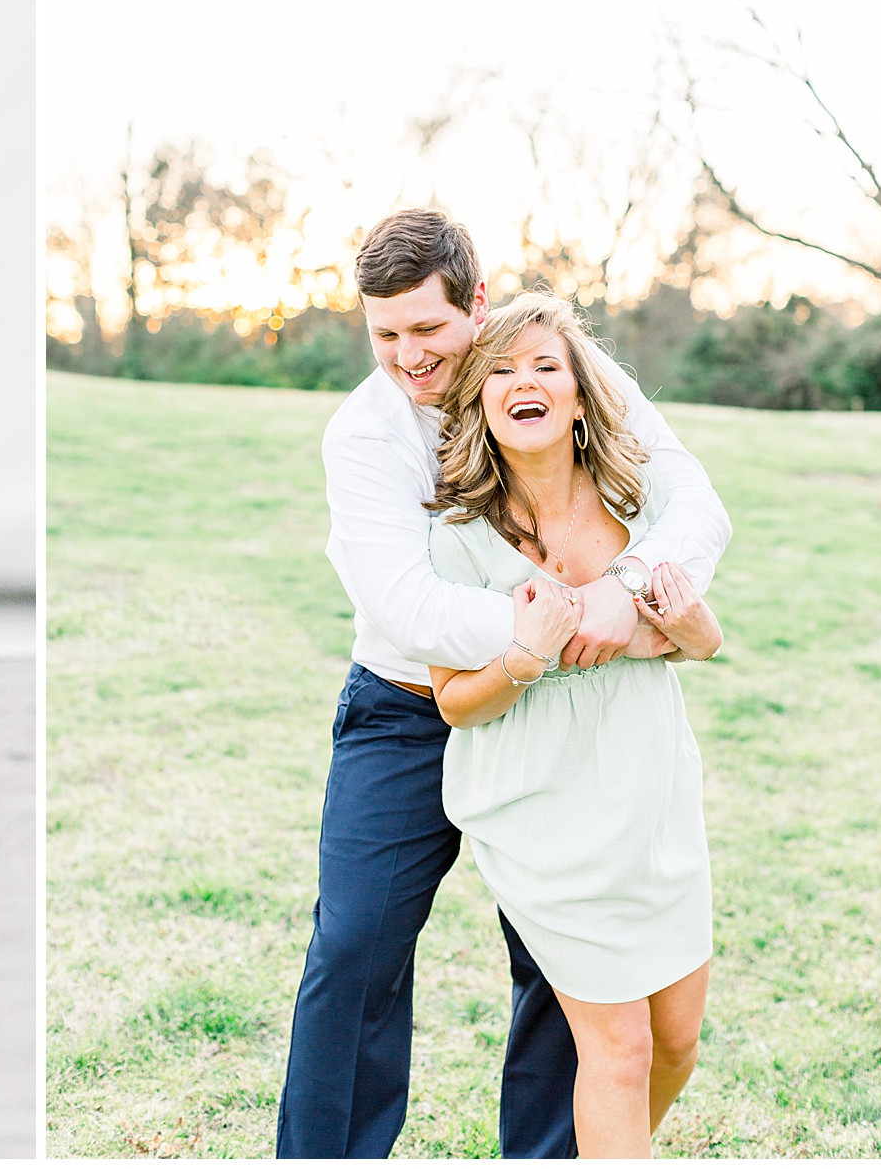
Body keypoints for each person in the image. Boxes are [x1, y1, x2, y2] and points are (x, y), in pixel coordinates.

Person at [276, 210, 731, 1159]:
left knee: (563, 970)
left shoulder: (558, 370)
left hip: (565, 718)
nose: (407, 356)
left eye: (427, 330)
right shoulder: (364, 435)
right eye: (385, 334)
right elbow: (411, 607)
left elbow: (689, 500)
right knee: (355, 945)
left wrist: (631, 589)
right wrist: (564, 625)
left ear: (474, 305)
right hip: (407, 709)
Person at [426, 291, 721, 1158]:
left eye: (546, 366)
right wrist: (526, 655)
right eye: (503, 370)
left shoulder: (642, 512)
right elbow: (453, 701)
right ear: (480, 398)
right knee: (619, 1047)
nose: (525, 381)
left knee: (675, 1043)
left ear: (583, 395)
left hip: (654, 798)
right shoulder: (459, 538)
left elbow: (696, 636)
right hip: (538, 810)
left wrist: (692, 630)